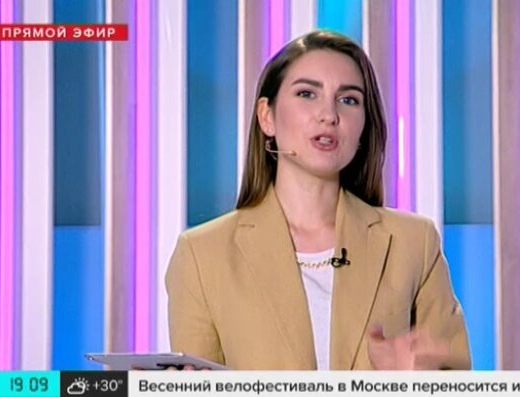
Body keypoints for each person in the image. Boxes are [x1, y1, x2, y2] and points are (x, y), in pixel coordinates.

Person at [166, 30, 471, 370]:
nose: (329, 115)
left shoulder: (414, 243)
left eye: (348, 100)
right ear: (267, 117)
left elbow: (456, 381)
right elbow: (196, 387)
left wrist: (409, 382)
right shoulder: (202, 254)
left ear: (363, 127)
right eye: (307, 94)